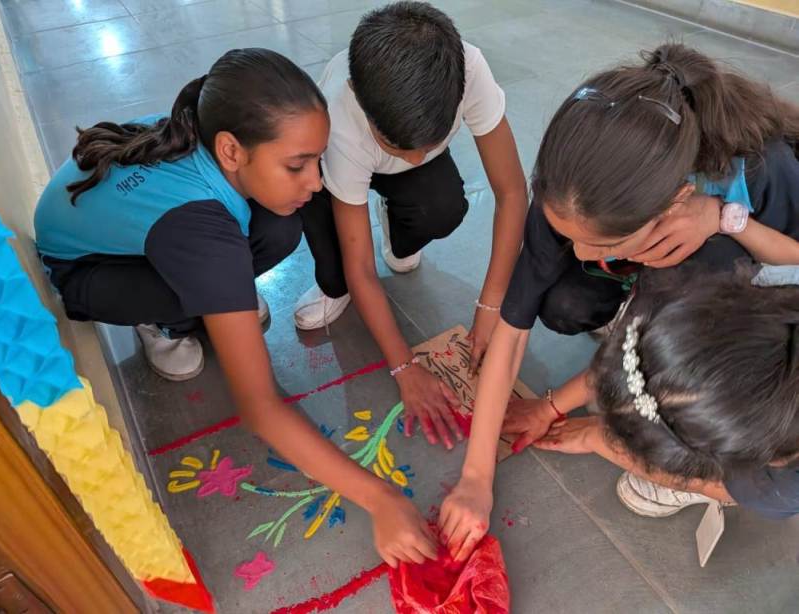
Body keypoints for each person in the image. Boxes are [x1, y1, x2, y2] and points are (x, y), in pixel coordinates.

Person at [35, 48, 436, 568]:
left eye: (317, 160)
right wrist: (380, 499)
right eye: (297, 165)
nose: (316, 181)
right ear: (230, 150)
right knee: (224, 267)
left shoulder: (213, 127)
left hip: (142, 230)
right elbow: (260, 408)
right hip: (90, 272)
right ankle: (164, 321)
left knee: (282, 226)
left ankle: (217, 301)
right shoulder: (197, 228)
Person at [439, 42, 799, 559]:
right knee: (563, 299)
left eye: (602, 244)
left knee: (711, 410)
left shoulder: (763, 174)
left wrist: (723, 218)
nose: (580, 253)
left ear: (675, 206)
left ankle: (680, 420)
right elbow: (512, 333)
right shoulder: (575, 187)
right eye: (568, 236)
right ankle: (637, 334)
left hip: (751, 314)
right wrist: (476, 475)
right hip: (678, 276)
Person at [294, 1, 529, 450]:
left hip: (391, 144)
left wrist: (491, 304)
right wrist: (404, 367)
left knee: (442, 206)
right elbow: (362, 268)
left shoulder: (468, 69)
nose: (417, 158)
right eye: (401, 147)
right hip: (338, 170)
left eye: (431, 143)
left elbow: (513, 192)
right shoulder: (339, 117)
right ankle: (332, 281)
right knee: (341, 273)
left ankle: (396, 222)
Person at [531, 271, 799, 521]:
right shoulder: (752, 279)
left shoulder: (782, 489)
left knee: (766, 495)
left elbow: (724, 485)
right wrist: (549, 408)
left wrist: (595, 437)